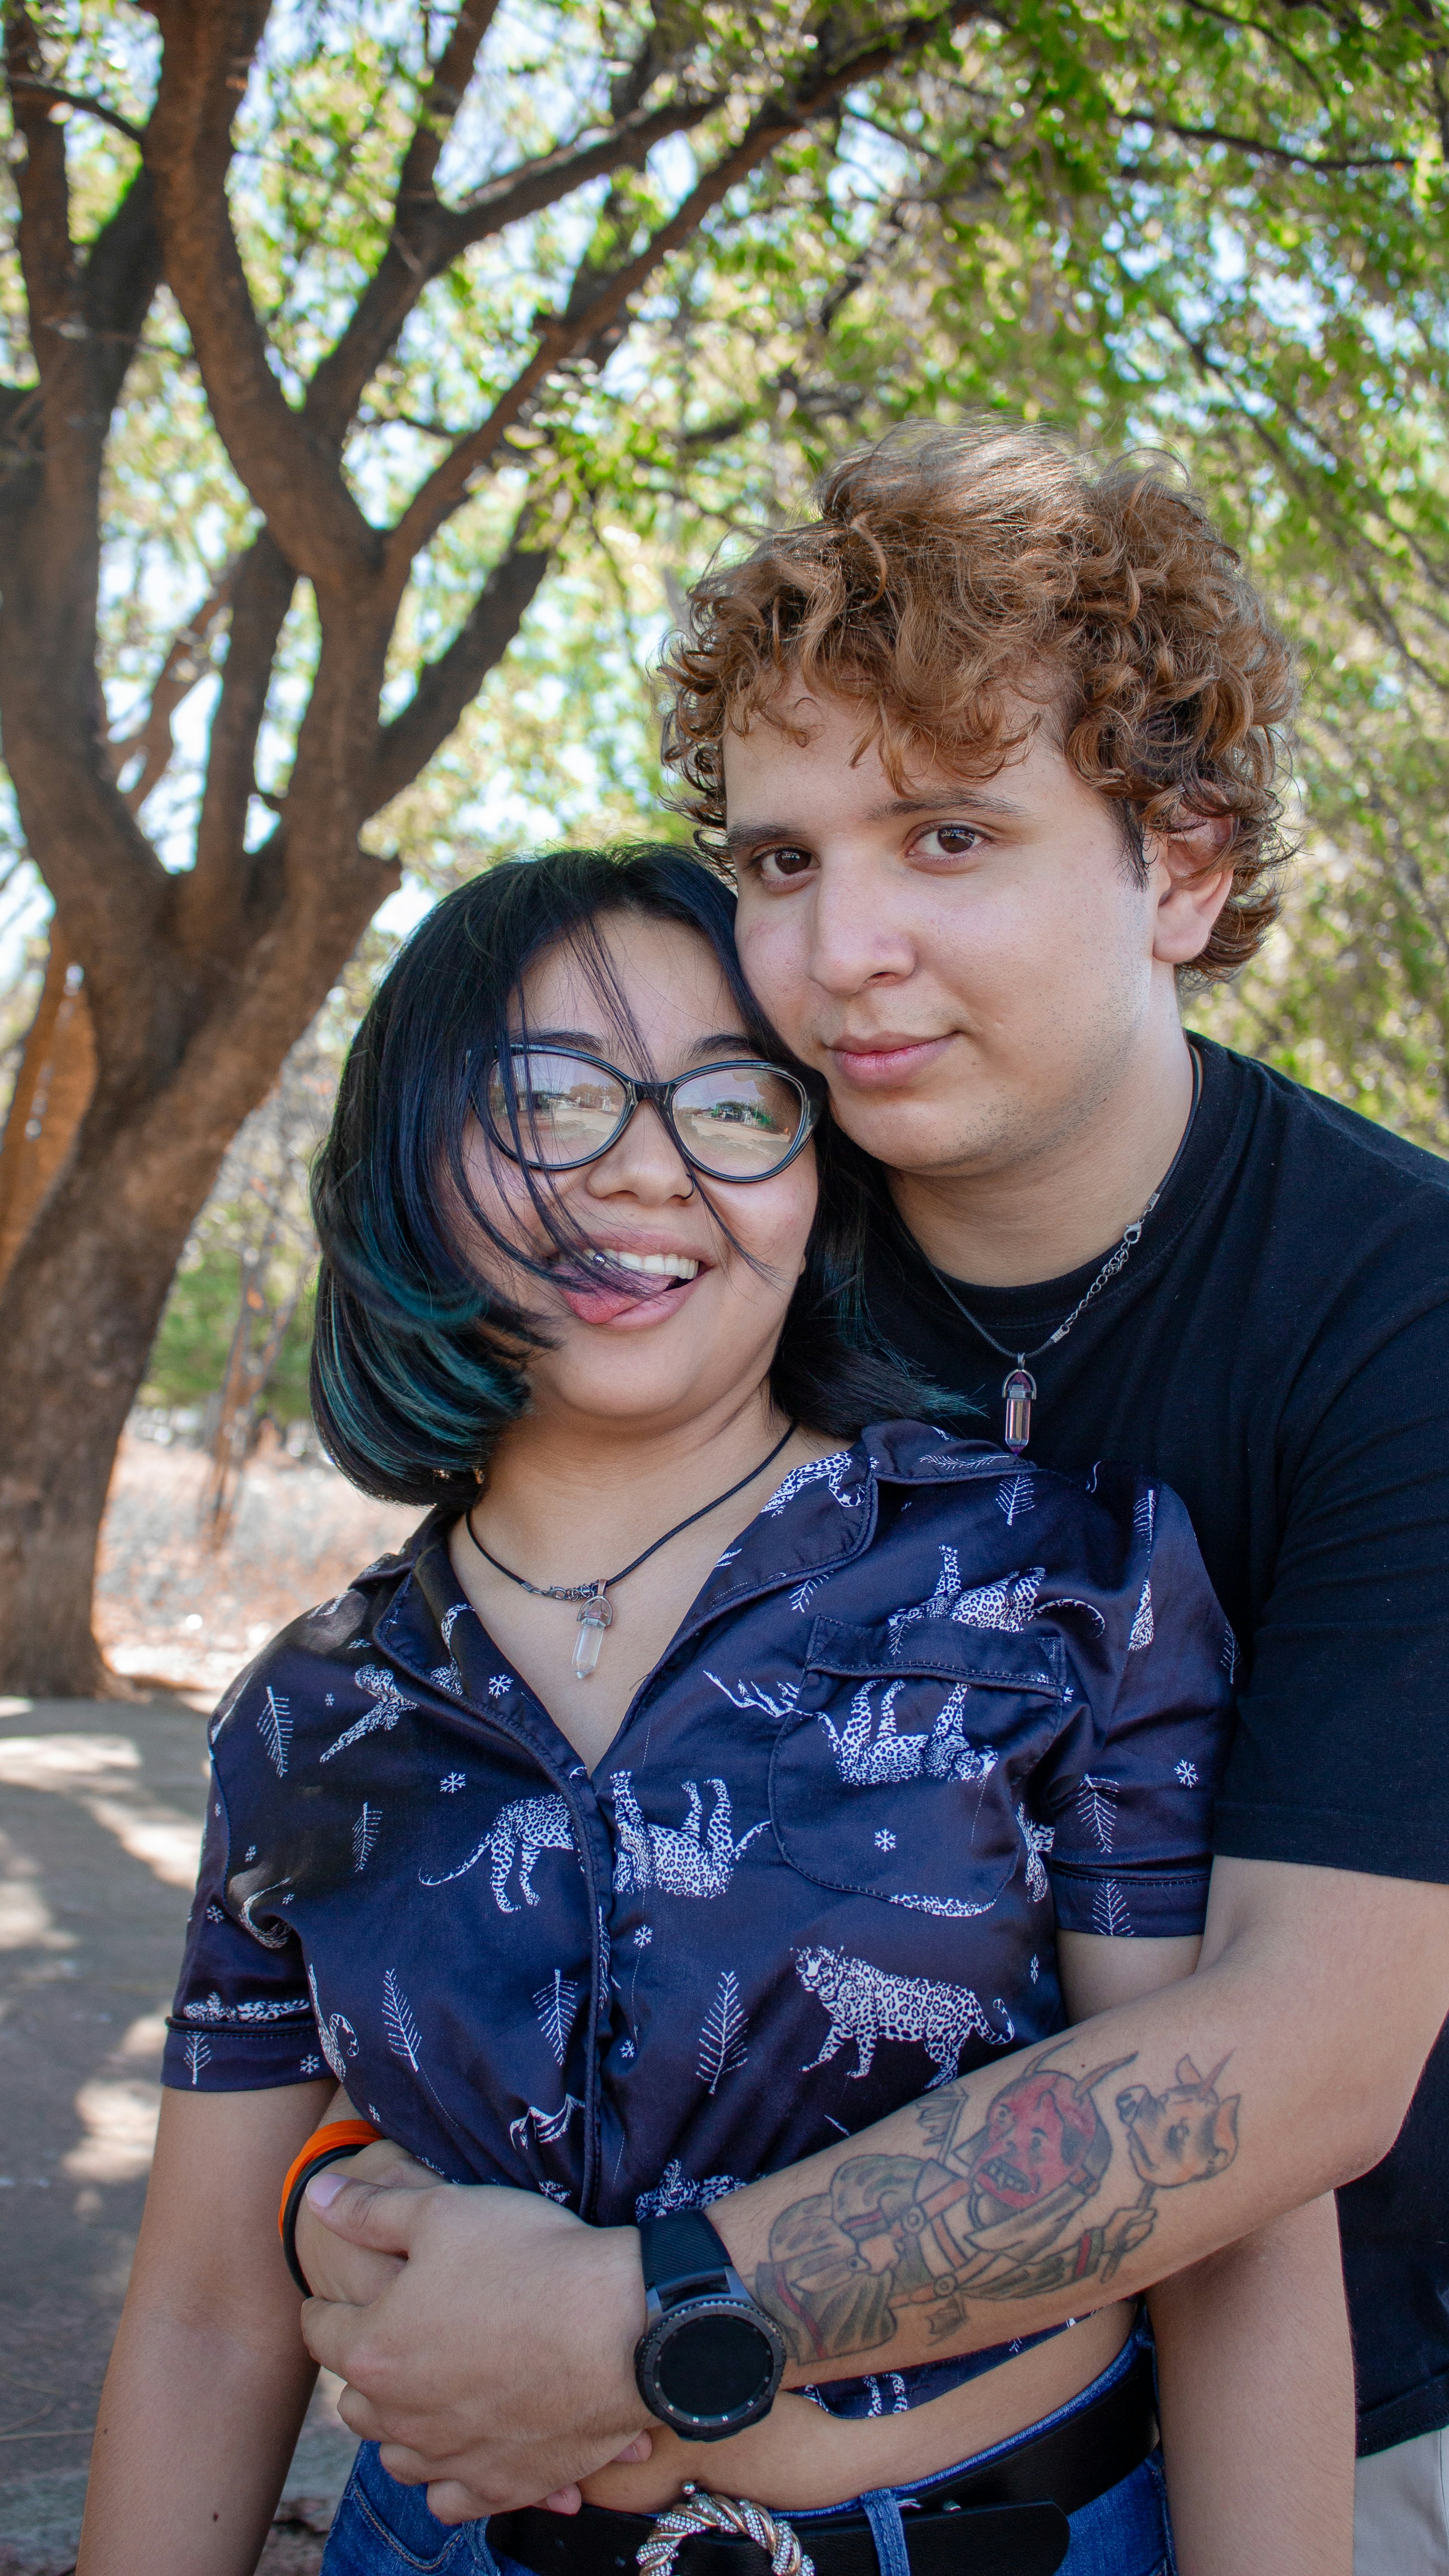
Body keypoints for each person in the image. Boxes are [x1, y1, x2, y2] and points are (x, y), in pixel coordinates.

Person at [278, 436, 1449, 2576]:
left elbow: (1309, 2057)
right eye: (784, 857)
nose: (843, 949)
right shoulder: (725, 1232)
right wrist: (349, 2203)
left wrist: (651, 2319)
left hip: (1330, 2412)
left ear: (1182, 866)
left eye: (952, 833)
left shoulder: (1403, 1316)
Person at [81, 845, 1350, 2576]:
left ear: (812, 1175)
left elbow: (1232, 2220)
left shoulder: (1064, 1582)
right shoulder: (307, 1715)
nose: (647, 1171)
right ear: (406, 1154)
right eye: (548, 1098)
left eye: (737, 1102)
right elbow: (212, 2318)